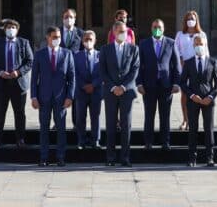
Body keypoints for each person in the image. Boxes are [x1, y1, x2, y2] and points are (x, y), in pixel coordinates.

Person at [31, 27, 75, 167]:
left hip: (61, 97)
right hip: (43, 97)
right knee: (44, 128)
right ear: (47, 38)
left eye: (59, 37)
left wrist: (70, 96)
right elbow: (34, 78)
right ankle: (44, 157)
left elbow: (72, 77)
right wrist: (33, 97)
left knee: (61, 129)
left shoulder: (67, 53)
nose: (57, 39)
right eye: (54, 37)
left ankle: (60, 157)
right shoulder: (39, 54)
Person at [0, 19, 33, 148]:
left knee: (19, 113)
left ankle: (20, 139)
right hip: (1, 83)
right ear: (4, 29)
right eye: (8, 27)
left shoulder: (24, 43)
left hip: (18, 84)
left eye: (13, 27)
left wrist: (18, 72)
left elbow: (30, 61)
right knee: (0, 112)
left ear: (17, 30)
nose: (11, 29)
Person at [100, 21, 140, 167]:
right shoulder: (105, 49)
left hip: (127, 92)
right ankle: (110, 157)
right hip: (110, 93)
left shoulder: (133, 49)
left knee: (126, 125)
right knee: (110, 125)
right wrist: (113, 87)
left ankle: (125, 157)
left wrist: (123, 86)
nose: (124, 34)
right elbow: (102, 71)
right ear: (114, 32)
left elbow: (134, 70)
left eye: (126, 32)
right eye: (121, 31)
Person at [137, 19, 180, 150]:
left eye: (159, 27)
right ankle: (148, 142)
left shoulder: (171, 43)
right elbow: (139, 65)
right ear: (151, 28)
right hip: (148, 86)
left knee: (165, 115)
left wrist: (176, 83)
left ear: (163, 28)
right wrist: (139, 83)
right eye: (155, 27)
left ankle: (165, 142)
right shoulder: (143, 44)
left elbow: (176, 65)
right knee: (149, 115)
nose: (157, 29)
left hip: (166, 85)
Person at [181, 35, 217, 167]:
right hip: (193, 100)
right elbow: (182, 83)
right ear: (193, 46)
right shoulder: (188, 62)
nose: (199, 46)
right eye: (197, 44)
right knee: (193, 129)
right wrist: (191, 95)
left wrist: (210, 97)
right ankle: (192, 158)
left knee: (208, 129)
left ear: (206, 45)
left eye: (201, 44)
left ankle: (210, 157)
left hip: (208, 101)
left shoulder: (212, 62)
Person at [174, 10, 207, 131]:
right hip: (184, 67)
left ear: (196, 20)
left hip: (197, 67)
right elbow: (176, 49)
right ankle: (185, 120)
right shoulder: (180, 34)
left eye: (192, 18)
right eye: (188, 19)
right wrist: (180, 59)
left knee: (198, 93)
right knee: (185, 94)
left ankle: (196, 121)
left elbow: (206, 51)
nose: (190, 21)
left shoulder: (202, 34)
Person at [74, 31, 103, 149]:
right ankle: (81, 140)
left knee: (95, 117)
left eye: (90, 39)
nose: (88, 42)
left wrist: (94, 85)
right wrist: (84, 86)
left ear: (95, 41)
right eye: (86, 39)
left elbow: (103, 72)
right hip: (81, 92)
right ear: (82, 41)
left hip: (96, 91)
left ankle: (95, 140)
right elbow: (74, 73)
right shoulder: (76, 55)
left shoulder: (101, 55)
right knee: (80, 117)